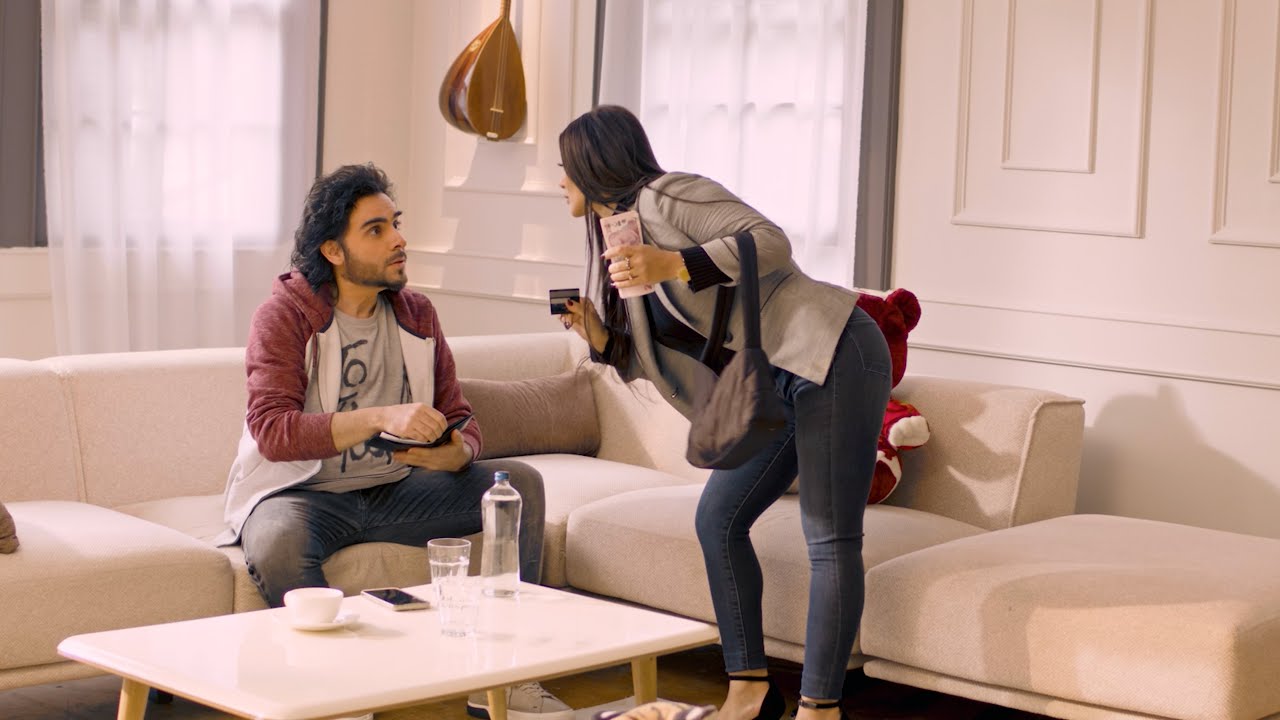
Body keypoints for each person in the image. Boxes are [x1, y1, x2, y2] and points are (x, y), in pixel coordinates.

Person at [556, 107, 891, 720]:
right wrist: (600, 335)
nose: (559, 180)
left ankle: (820, 709)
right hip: (769, 387)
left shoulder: (669, 195)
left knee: (828, 537)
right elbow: (664, 356)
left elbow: (770, 241)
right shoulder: (622, 238)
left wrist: (675, 263)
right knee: (718, 518)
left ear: (592, 163)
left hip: (832, 350)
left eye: (565, 167)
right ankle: (749, 689)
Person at [215, 163, 573, 720]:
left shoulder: (416, 314)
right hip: (302, 497)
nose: (399, 240)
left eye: (396, 224)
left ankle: (505, 678)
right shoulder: (285, 315)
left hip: (397, 493)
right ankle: (338, 697)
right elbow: (273, 430)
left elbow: (459, 415)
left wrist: (458, 452)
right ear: (334, 251)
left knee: (518, 486)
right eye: (376, 230)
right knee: (278, 542)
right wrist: (378, 416)